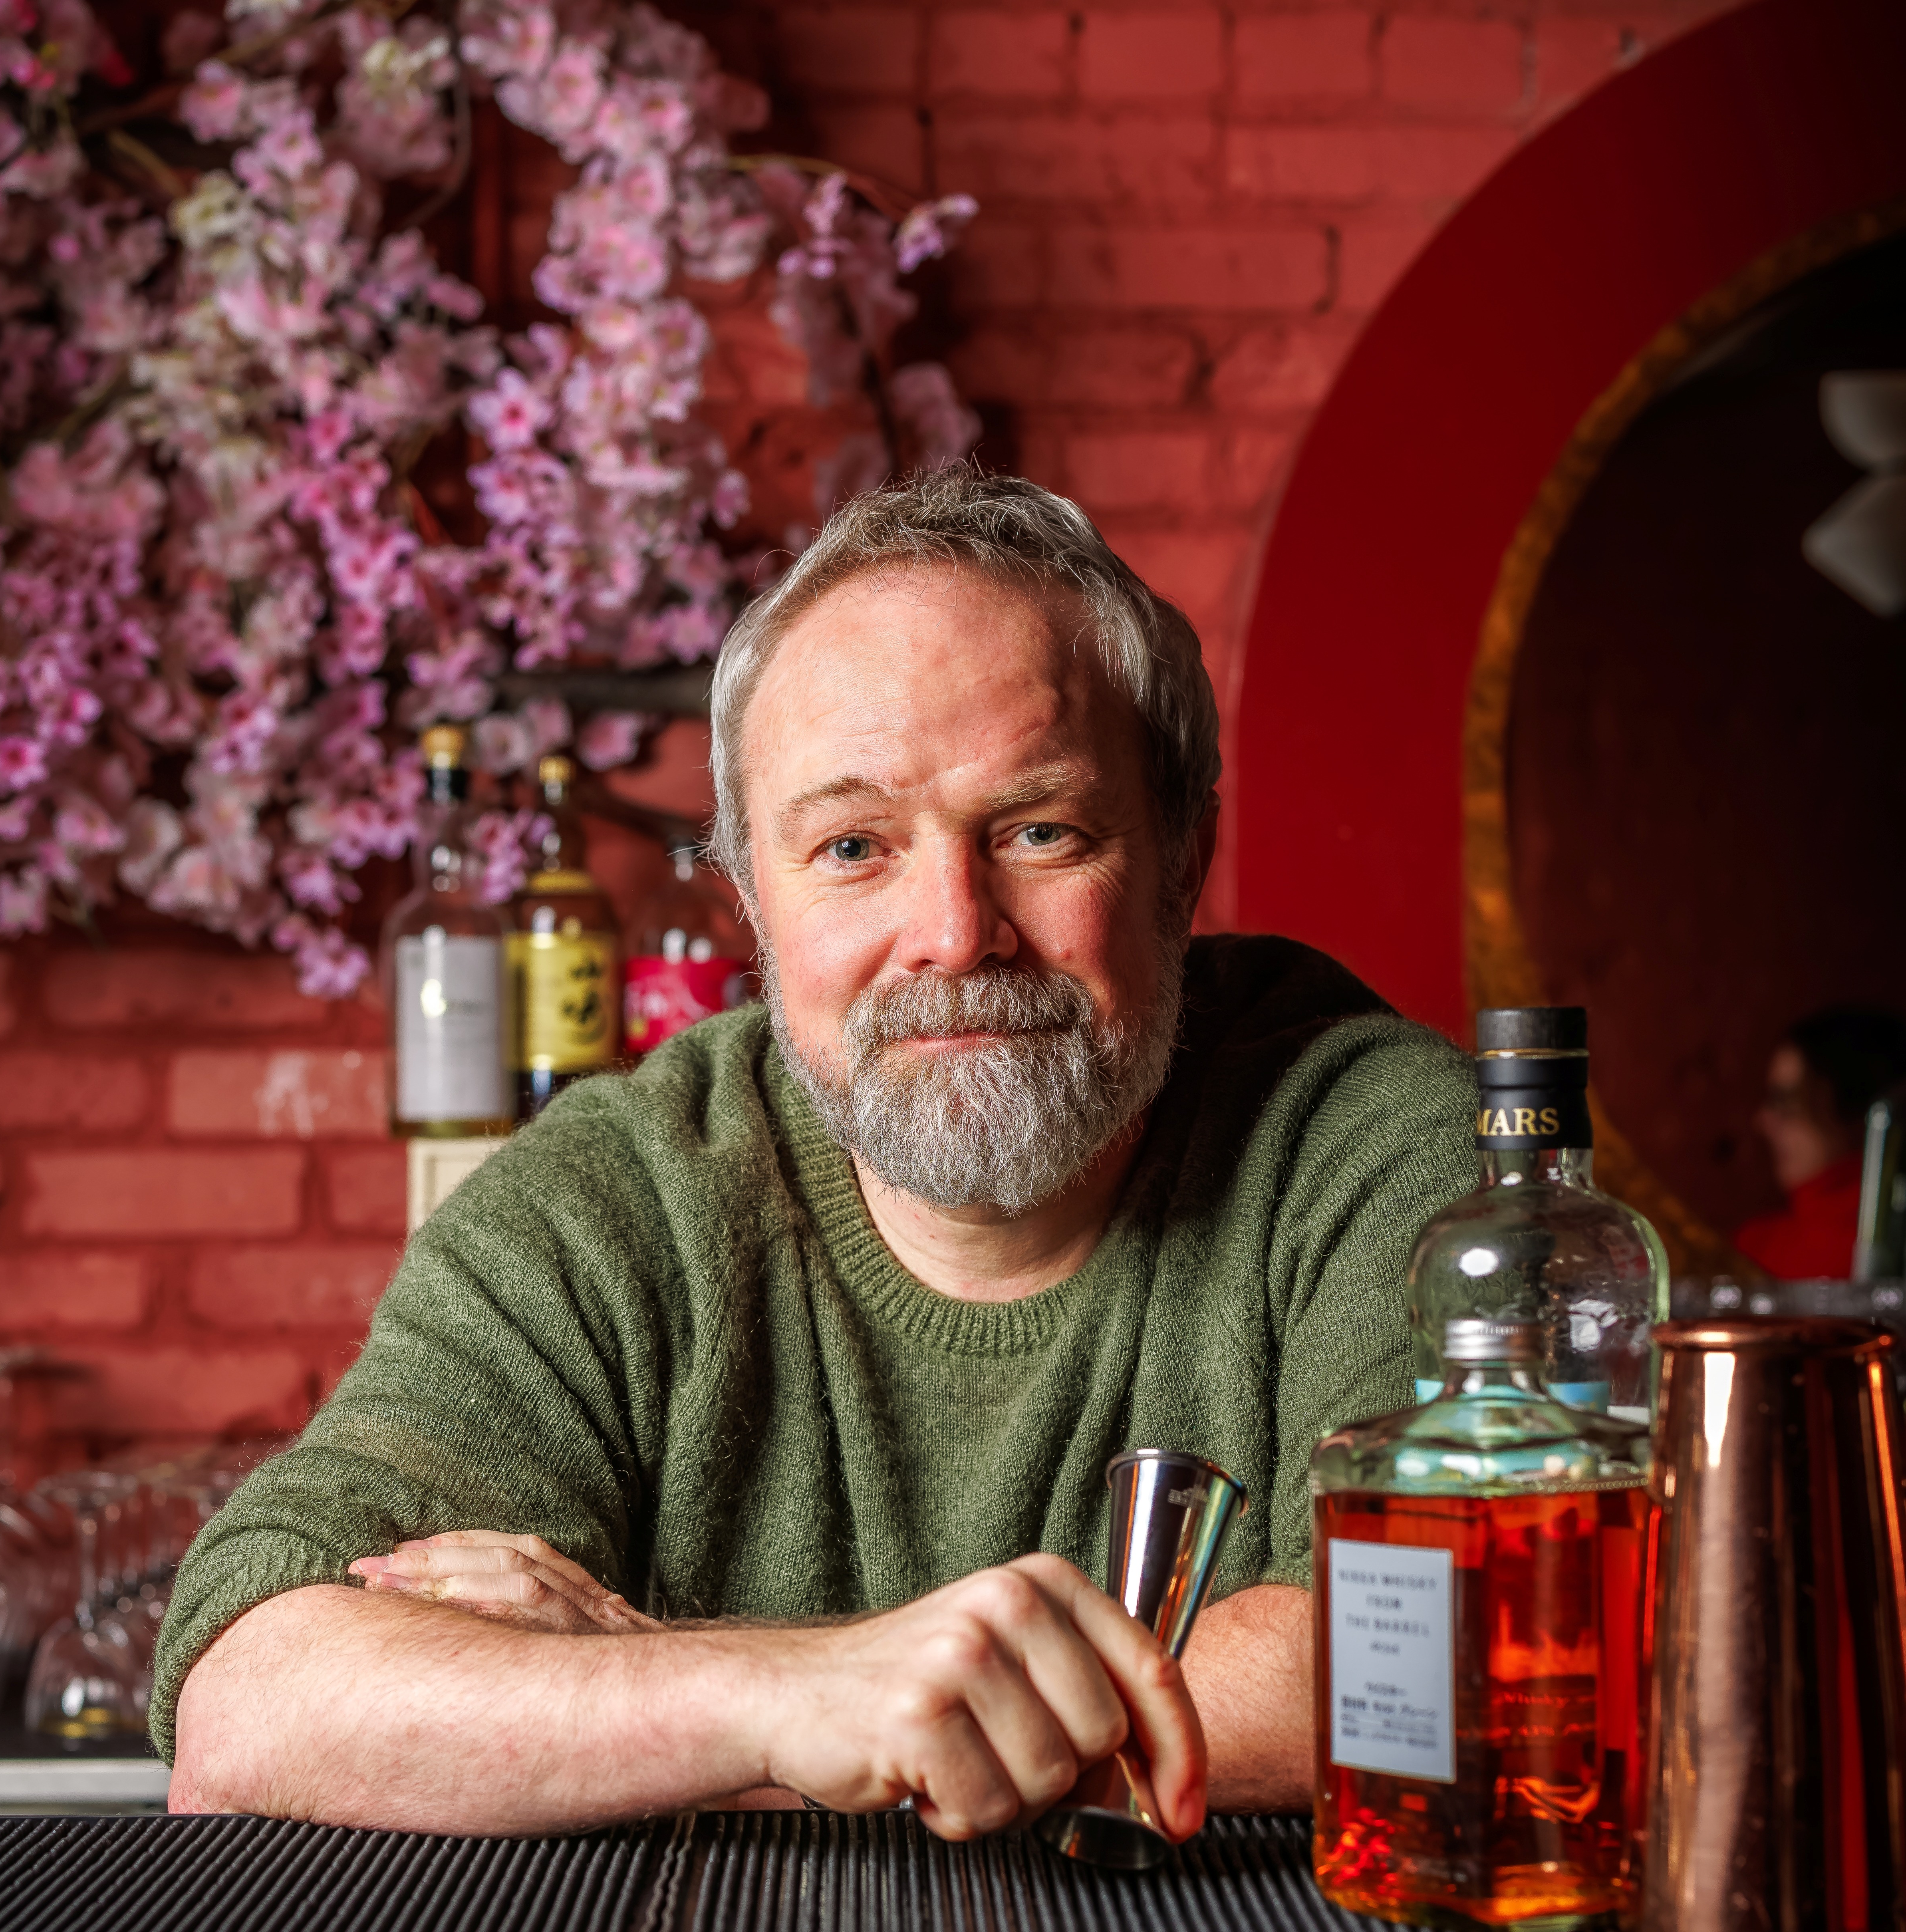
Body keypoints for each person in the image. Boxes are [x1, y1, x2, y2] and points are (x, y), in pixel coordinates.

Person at [155, 467, 1477, 1842]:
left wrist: (665, 1696)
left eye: (1037, 829)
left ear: (1180, 852)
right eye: (853, 845)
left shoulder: (1381, 1147)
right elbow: (251, 1705)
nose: (954, 933)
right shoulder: (623, 1195)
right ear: (749, 902)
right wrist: (781, 1692)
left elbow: (1457, 1646)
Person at [1736, 1006, 1906, 1279]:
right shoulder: (1758, 1245)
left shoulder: (1888, 1246)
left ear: (1854, 1107)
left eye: (1786, 1100)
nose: (1764, 1120)